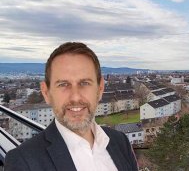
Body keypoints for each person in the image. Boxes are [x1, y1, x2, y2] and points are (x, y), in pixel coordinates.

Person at [4, 42, 138, 171]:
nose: (75, 97)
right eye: (63, 84)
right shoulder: (23, 161)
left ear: (100, 88)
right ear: (46, 93)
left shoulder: (120, 142)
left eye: (85, 83)